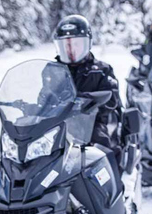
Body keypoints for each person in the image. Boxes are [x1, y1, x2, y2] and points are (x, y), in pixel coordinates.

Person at [53, 15, 123, 159]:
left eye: (76, 44)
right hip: (59, 123)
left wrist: (88, 102)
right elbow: (44, 96)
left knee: (101, 146)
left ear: (87, 43)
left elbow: (111, 100)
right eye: (66, 45)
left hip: (92, 122)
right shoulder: (53, 71)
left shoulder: (101, 70)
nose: (71, 49)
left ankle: (113, 179)